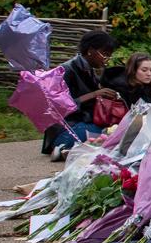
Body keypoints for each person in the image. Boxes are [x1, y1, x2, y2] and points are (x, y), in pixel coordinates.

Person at [43, 31, 120, 160]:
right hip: (66, 128)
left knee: (114, 129)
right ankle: (63, 146)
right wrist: (95, 94)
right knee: (108, 133)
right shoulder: (66, 70)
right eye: (104, 54)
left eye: (109, 56)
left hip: (83, 123)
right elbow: (59, 106)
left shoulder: (89, 70)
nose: (106, 59)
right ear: (90, 51)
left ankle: (73, 149)